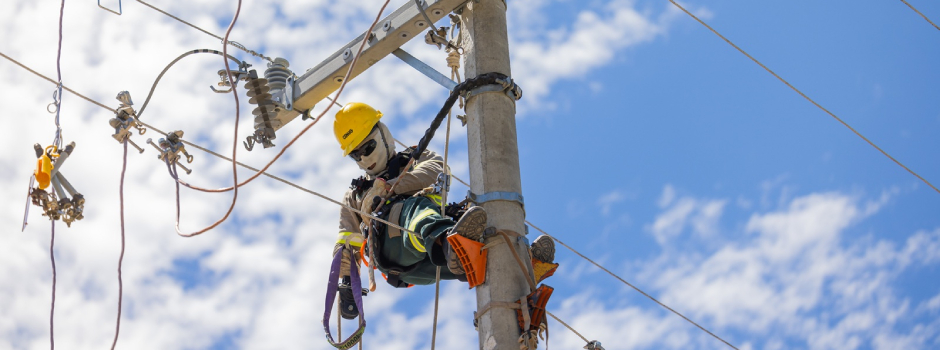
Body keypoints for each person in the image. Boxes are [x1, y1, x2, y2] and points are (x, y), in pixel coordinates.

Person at [331, 102, 556, 320]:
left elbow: (436, 169)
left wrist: (389, 188)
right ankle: (453, 245)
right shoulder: (355, 195)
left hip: (432, 258)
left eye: (368, 147)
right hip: (393, 254)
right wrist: (346, 283)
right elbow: (346, 243)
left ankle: (521, 271)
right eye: (356, 155)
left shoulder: (416, 158)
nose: (364, 158)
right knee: (413, 210)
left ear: (383, 134)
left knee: (481, 253)